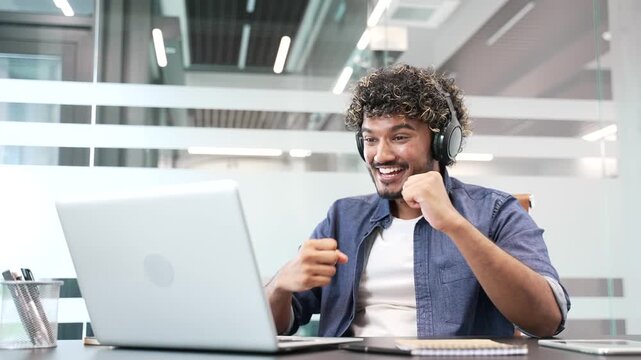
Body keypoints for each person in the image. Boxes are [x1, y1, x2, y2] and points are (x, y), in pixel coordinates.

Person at [265, 64, 570, 338]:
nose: (381, 155)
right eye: (370, 139)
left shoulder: (494, 211)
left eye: (399, 137)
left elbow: (547, 320)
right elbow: (276, 324)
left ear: (442, 143)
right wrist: (280, 286)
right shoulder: (343, 218)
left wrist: (455, 224)